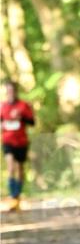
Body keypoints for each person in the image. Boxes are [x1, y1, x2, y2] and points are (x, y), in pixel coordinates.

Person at [2, 81, 35, 212]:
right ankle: (13, 197)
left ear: (15, 92)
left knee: (20, 169)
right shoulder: (2, 106)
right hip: (7, 140)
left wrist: (21, 117)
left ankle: (18, 195)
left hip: (21, 141)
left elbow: (32, 122)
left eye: (12, 91)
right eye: (8, 91)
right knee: (10, 167)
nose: (10, 93)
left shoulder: (23, 105)